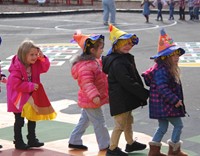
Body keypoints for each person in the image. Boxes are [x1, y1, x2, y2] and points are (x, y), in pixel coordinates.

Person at [102, 24, 149, 156]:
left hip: (124, 97)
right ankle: (112, 149)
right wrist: (143, 92)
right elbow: (127, 81)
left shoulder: (123, 57)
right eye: (124, 44)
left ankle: (130, 143)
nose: (128, 46)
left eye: (129, 44)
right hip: (120, 98)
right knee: (120, 124)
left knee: (128, 121)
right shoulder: (117, 62)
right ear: (116, 45)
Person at [142, 28, 188, 156]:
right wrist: (175, 100)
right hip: (166, 104)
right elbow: (163, 88)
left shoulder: (164, 68)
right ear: (166, 57)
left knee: (162, 127)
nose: (177, 57)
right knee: (178, 125)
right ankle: (174, 151)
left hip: (162, 105)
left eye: (178, 54)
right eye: (174, 55)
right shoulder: (162, 70)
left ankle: (154, 151)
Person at [6, 39, 54, 150]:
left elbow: (45, 67)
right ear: (23, 55)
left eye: (36, 54)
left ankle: (31, 139)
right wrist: (30, 86)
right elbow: (15, 84)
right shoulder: (16, 69)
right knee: (19, 120)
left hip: (30, 96)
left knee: (32, 118)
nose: (34, 57)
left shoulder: (35, 64)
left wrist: (42, 57)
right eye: (31, 54)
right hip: (18, 98)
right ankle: (18, 141)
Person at [68, 32, 110, 151]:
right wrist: (94, 95)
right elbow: (87, 83)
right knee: (99, 122)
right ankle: (105, 144)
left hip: (89, 99)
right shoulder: (86, 66)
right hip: (91, 99)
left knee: (84, 120)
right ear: (92, 50)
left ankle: (74, 140)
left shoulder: (94, 62)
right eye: (100, 48)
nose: (102, 50)